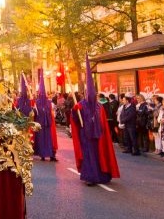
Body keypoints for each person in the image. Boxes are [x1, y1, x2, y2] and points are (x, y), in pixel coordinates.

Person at [69, 56, 120, 186]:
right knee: (89, 156)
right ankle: (90, 177)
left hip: (98, 136)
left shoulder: (99, 106)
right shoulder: (80, 105)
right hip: (86, 135)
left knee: (99, 156)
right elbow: (75, 120)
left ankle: (102, 174)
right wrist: (75, 112)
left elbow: (102, 122)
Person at [34, 69, 58, 162]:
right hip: (41, 125)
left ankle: (51, 154)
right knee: (42, 139)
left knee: (50, 139)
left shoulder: (49, 103)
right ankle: (42, 154)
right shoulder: (37, 103)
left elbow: (52, 113)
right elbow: (35, 114)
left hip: (48, 125)